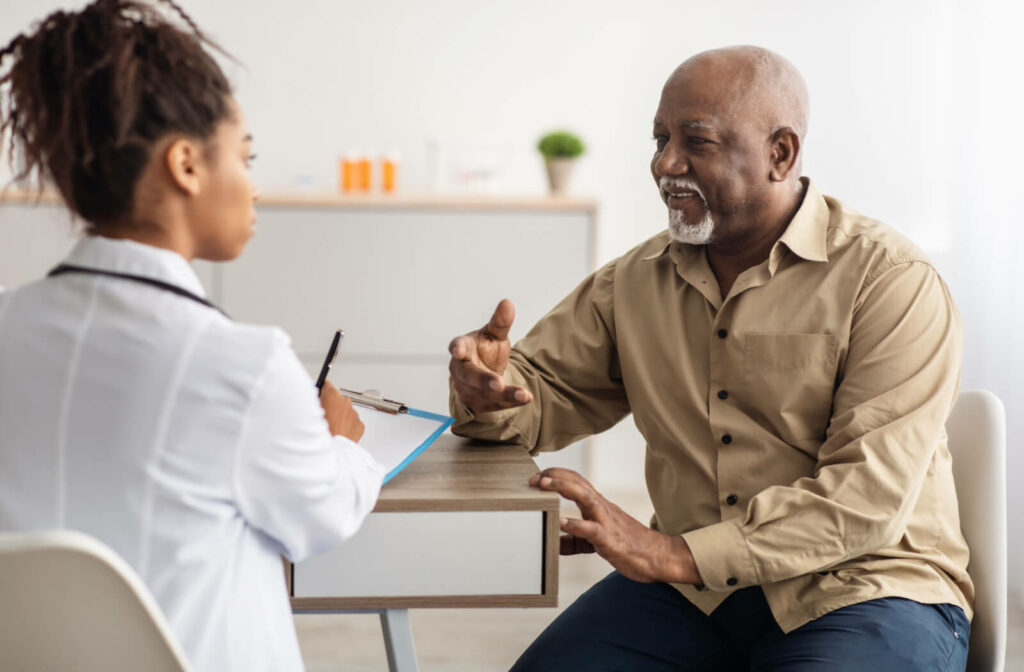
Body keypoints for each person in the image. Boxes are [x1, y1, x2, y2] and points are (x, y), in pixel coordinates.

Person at [448, 46, 972, 671]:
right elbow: (544, 394)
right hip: (693, 598)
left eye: (696, 141)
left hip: (864, 586)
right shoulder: (634, 280)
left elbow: (864, 500)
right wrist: (489, 390)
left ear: (781, 153)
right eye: (660, 138)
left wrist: (668, 555)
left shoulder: (890, 281)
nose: (666, 163)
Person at [0, 2, 385, 670]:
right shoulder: (243, 366)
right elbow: (321, 519)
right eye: (245, 156)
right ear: (185, 164)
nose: (254, 186)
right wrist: (343, 446)